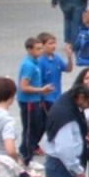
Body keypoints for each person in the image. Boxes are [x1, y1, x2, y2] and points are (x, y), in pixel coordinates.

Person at [17, 36, 52, 165]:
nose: (41, 51)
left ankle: (27, 150)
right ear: (29, 50)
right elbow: (23, 86)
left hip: (36, 99)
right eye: (38, 49)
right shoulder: (29, 65)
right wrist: (41, 90)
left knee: (40, 125)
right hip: (29, 101)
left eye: (41, 48)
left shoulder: (35, 62)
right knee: (30, 128)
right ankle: (26, 157)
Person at [0, 78, 20, 163]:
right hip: (1, 161)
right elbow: (10, 150)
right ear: (12, 96)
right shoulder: (7, 121)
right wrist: (16, 162)